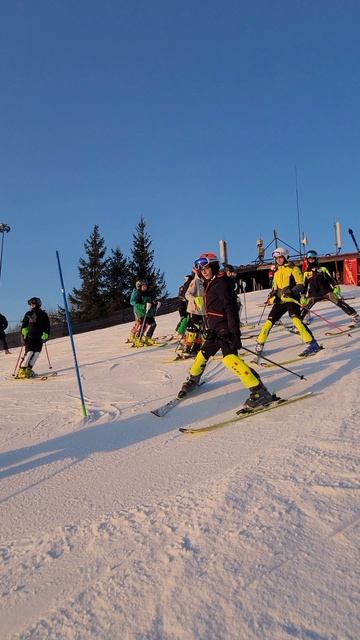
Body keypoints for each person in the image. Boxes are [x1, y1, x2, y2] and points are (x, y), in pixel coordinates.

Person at [178, 252, 277, 409]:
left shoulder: (222, 283)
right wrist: (209, 328)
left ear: (214, 266)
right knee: (202, 355)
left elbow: (230, 309)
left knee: (230, 359)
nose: (203, 271)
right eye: (200, 268)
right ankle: (193, 379)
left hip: (225, 330)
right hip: (215, 330)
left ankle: (259, 392)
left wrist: (234, 334)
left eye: (206, 267)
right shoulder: (210, 283)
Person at [255, 247, 321, 357]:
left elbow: (300, 284)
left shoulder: (293, 268)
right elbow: (275, 288)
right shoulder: (276, 271)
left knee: (296, 321)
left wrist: (291, 292)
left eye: (280, 257)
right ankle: (260, 343)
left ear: (285, 257)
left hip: (291, 299)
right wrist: (272, 296)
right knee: (269, 322)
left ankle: (313, 344)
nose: (278, 260)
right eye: (276, 258)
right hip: (280, 301)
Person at [300, 250, 360, 326]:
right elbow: (305, 286)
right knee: (305, 307)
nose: (311, 260)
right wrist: (303, 295)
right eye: (309, 259)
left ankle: (355, 316)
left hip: (326, 291)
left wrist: (336, 286)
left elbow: (330, 279)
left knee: (339, 302)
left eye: (313, 258)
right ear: (307, 260)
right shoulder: (306, 273)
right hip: (313, 294)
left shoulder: (322, 269)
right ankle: (299, 323)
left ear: (316, 259)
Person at [17, 297, 50, 378]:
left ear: (38, 304)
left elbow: (47, 325)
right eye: (31, 304)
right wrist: (23, 331)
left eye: (33, 304)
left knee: (36, 353)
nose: (32, 306)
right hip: (30, 337)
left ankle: (28, 369)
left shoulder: (43, 314)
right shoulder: (28, 314)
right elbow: (24, 324)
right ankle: (22, 370)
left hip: (39, 337)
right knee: (29, 352)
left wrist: (46, 333)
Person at [130, 282, 159, 346]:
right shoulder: (138, 293)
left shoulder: (149, 295)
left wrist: (155, 304)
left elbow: (151, 303)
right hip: (140, 313)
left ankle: (148, 337)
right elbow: (135, 303)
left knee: (153, 324)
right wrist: (144, 306)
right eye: (143, 286)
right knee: (141, 325)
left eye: (145, 286)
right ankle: (137, 337)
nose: (144, 288)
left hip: (148, 313)